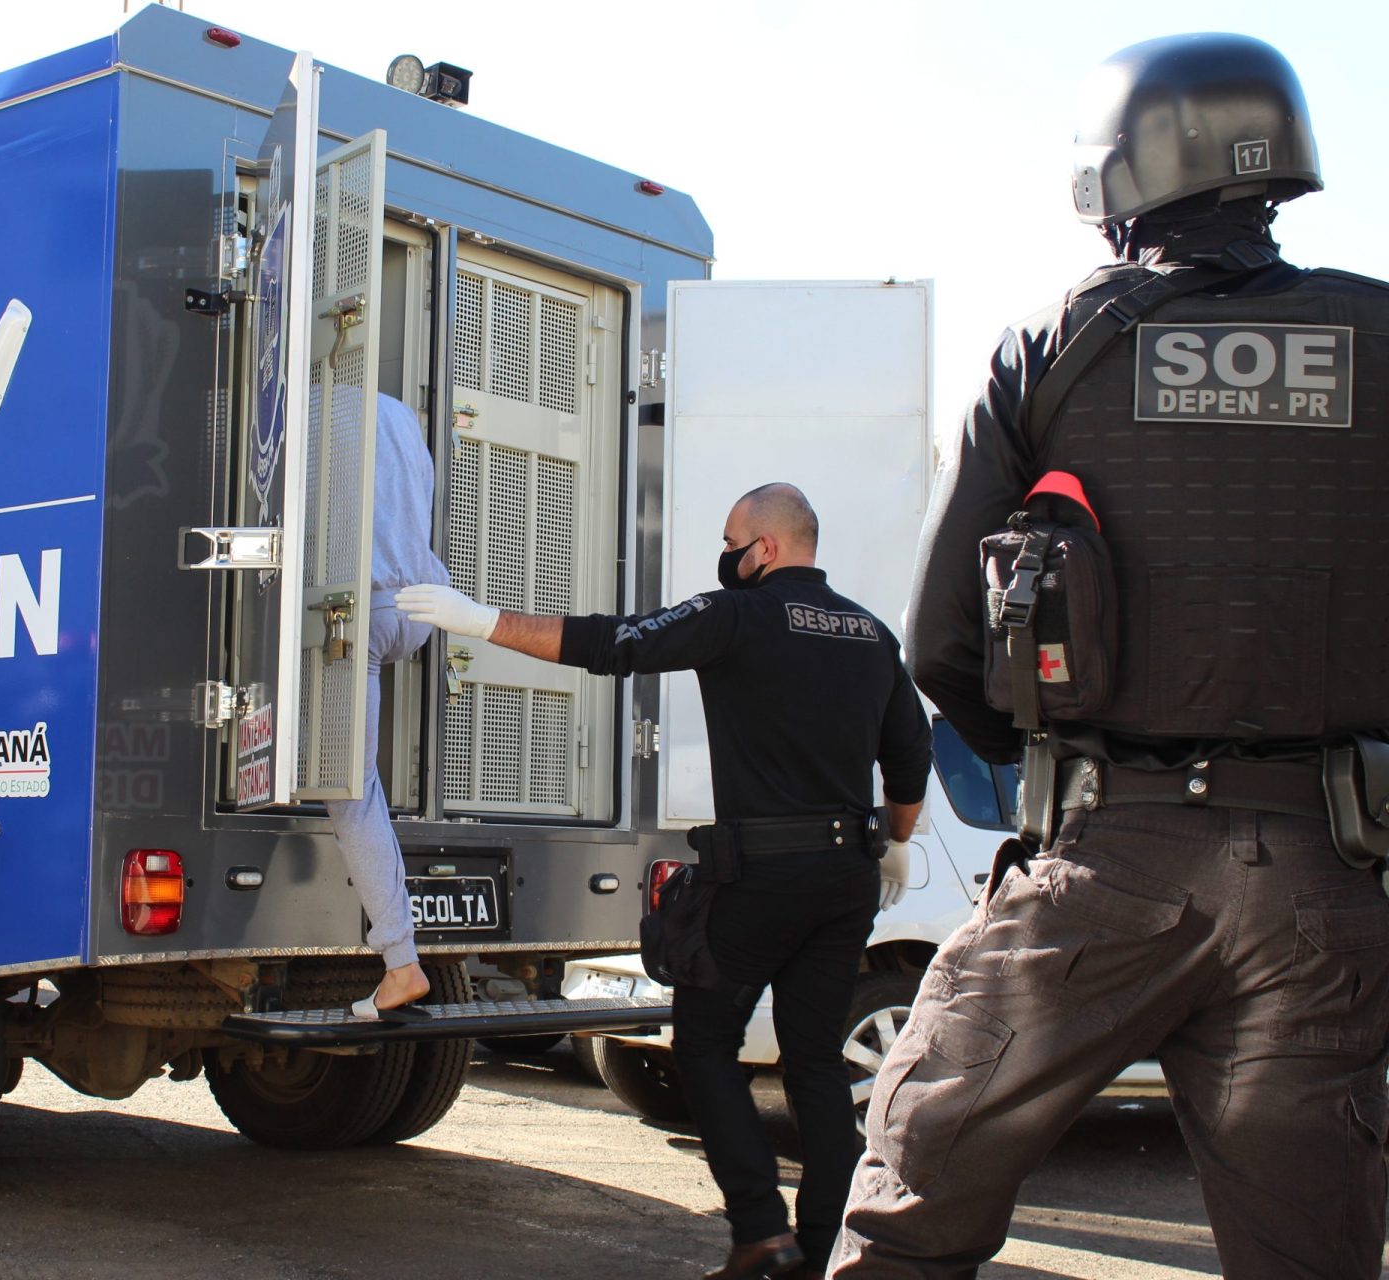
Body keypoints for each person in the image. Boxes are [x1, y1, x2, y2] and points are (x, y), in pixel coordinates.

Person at [835, 34, 1389, 1278]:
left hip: (1106, 857)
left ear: (1119, 170)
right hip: (1326, 878)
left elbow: (941, 637)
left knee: (916, 1186)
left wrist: (1058, 781)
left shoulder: (1053, 345)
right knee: (1314, 1252)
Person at [401, 483, 930, 1279]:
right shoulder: (870, 633)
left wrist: (482, 621)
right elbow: (911, 761)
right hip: (846, 878)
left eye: (731, 540)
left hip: (762, 876)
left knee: (707, 1043)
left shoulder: (739, 616)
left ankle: (760, 1229)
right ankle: (823, 1251)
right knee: (815, 1063)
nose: (725, 555)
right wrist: (891, 840)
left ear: (768, 548)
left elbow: (618, 642)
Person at [339, 392, 449, 1019]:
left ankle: (400, 962)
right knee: (362, 771)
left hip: (369, 606)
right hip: (420, 600)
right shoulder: (399, 413)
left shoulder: (303, 411)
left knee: (351, 790)